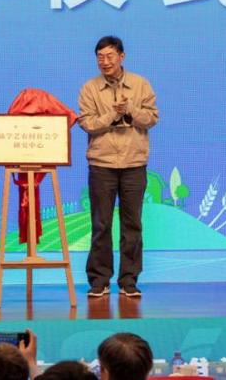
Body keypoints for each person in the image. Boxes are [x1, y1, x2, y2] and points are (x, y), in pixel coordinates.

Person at [76, 36, 158, 298]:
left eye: (110, 56)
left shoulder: (140, 84)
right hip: (102, 164)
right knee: (101, 224)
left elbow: (151, 118)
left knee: (132, 224)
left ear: (122, 57)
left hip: (134, 163)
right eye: (100, 57)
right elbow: (87, 123)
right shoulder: (90, 88)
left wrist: (130, 109)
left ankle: (129, 280)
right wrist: (113, 114)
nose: (105, 61)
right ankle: (99, 280)